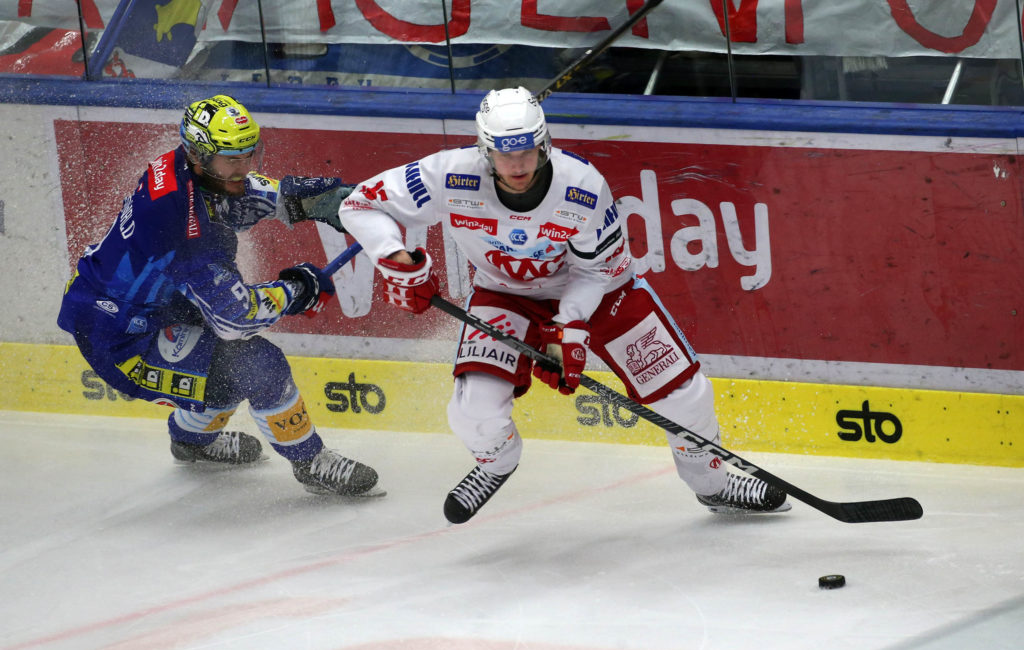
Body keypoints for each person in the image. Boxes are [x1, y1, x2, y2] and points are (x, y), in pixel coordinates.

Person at [338, 86, 789, 523]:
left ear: (545, 143)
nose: (517, 165)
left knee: (685, 396)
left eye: (528, 151)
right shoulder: (447, 174)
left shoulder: (583, 187)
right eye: (504, 154)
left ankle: (711, 484)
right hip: (504, 293)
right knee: (473, 411)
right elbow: (358, 205)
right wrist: (397, 260)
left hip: (602, 290)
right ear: (484, 149)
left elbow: (599, 271)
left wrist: (568, 327)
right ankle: (497, 463)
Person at [58, 94, 379, 497]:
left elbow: (245, 195)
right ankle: (311, 462)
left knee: (224, 371)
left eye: (250, 155)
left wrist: (322, 200)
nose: (245, 169)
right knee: (255, 363)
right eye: (234, 160)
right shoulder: (182, 223)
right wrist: (298, 289)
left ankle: (191, 441)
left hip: (149, 306)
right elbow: (235, 319)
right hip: (121, 339)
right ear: (198, 155)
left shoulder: (189, 170)